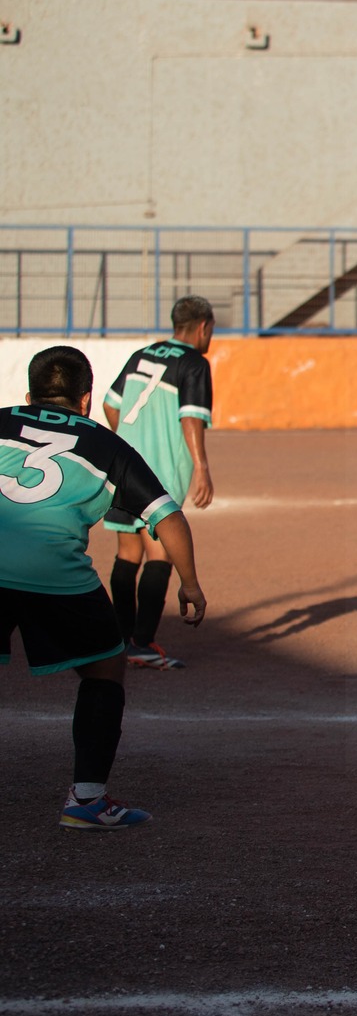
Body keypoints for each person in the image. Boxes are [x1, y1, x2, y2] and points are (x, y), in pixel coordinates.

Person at [4, 346, 208, 829]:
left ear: (28, 395)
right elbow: (169, 517)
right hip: (54, 574)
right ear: (87, 400)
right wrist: (191, 584)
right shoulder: (106, 444)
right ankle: (87, 801)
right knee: (105, 668)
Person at [102, 296, 216, 670]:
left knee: (127, 553)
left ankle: (120, 639)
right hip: (161, 472)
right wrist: (201, 467)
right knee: (160, 553)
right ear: (203, 327)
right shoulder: (194, 363)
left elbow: (110, 404)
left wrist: (129, 443)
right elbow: (191, 419)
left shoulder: (141, 355)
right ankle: (143, 643)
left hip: (124, 466)